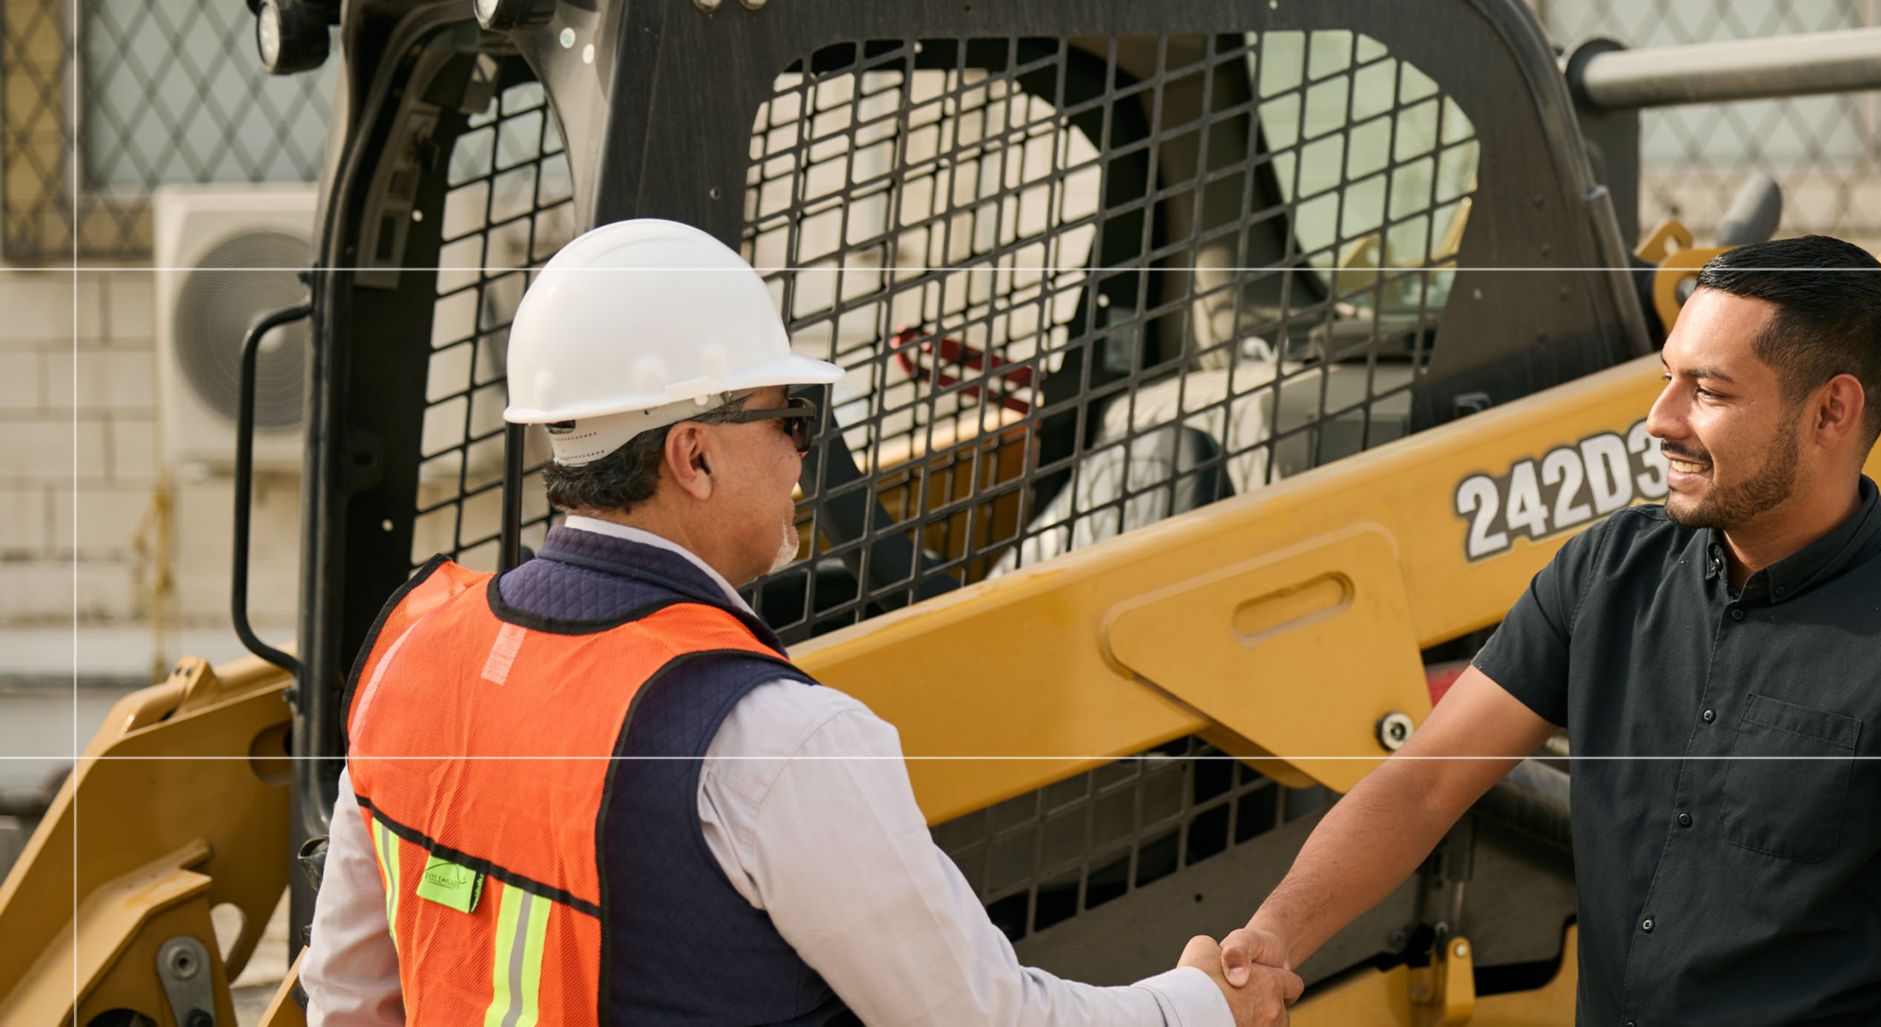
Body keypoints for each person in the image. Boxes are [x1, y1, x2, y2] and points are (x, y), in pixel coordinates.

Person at [299, 218, 1299, 1025]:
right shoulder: (771, 738)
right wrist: (1199, 1007)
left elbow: (347, 995)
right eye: (793, 423)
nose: (800, 459)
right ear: (693, 455)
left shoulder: (412, 656)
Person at [1218, 235, 1881, 1024]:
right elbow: (1423, 786)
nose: (1661, 418)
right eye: (1668, 377)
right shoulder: (1606, 572)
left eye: (1707, 389)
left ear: (1831, 412)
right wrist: (1274, 935)